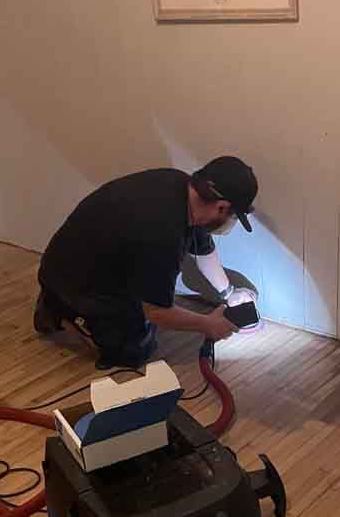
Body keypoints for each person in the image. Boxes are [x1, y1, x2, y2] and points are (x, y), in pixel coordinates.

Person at [33, 156, 258, 369]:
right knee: (134, 351)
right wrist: (209, 325)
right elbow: (158, 312)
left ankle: (67, 303)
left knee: (145, 313)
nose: (232, 222)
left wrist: (227, 293)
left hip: (87, 260)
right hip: (74, 279)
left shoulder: (181, 187)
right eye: (234, 216)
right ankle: (57, 312)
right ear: (221, 206)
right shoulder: (161, 232)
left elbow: (204, 251)